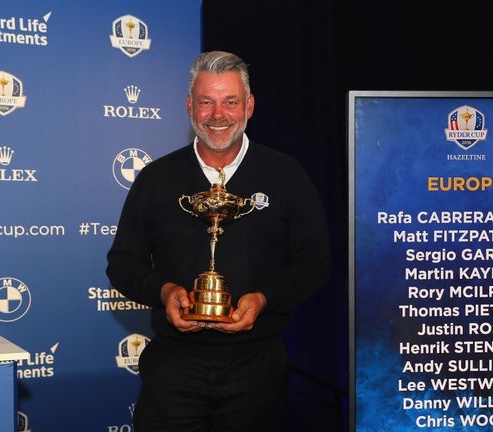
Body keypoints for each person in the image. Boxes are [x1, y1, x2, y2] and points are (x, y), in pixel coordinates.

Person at [106, 50, 330, 431]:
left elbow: (315, 263)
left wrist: (264, 300)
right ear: (190, 106)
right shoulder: (157, 179)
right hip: (174, 368)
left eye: (230, 102)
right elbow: (123, 263)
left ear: (250, 106)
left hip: (256, 368)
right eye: (206, 102)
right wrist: (164, 291)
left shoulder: (286, 175)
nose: (218, 115)